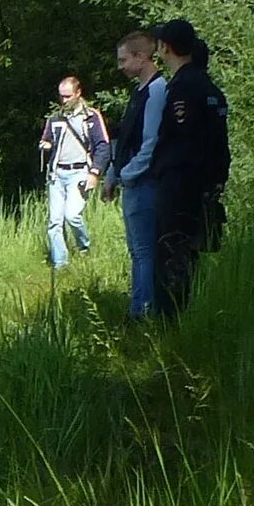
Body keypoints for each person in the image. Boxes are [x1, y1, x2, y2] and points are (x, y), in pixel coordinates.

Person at [143, 18, 231, 321]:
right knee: (189, 252)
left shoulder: (182, 89)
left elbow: (184, 142)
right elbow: (220, 145)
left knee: (171, 251)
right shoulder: (211, 89)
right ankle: (185, 313)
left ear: (166, 48)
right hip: (205, 185)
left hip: (180, 184)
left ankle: (169, 321)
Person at [106, 28, 166, 317]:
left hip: (144, 184)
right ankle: (139, 307)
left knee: (144, 252)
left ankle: (143, 311)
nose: (121, 67)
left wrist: (127, 174)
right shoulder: (139, 92)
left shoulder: (157, 91)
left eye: (124, 60)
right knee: (137, 250)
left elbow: (150, 143)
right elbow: (127, 139)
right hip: (132, 182)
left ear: (142, 57)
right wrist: (112, 174)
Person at [37, 73, 110, 268]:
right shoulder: (55, 118)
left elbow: (103, 146)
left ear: (78, 93)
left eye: (68, 96)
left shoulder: (91, 117)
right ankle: (60, 264)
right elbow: (47, 139)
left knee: (72, 216)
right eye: (61, 96)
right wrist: (45, 145)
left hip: (80, 173)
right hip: (57, 175)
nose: (64, 100)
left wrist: (95, 172)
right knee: (54, 222)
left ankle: (84, 247)